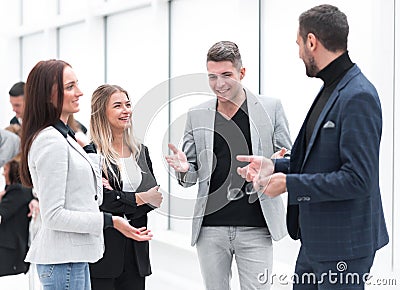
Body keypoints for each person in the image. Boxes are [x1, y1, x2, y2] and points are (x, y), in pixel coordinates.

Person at [237, 5, 389, 289]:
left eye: (298, 44)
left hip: (344, 247)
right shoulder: (332, 87)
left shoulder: (358, 96)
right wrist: (275, 165)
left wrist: (289, 184)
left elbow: (358, 179)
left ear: (311, 41)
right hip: (315, 243)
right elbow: (318, 159)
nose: (298, 53)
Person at [165, 41, 292, 289]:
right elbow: (191, 175)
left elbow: (290, 158)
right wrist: (183, 169)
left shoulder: (270, 108)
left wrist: (275, 165)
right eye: (212, 76)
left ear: (241, 73)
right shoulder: (197, 114)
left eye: (226, 75)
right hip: (211, 228)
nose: (219, 84)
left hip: (256, 226)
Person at [19, 59, 153, 290]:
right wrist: (111, 220)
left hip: (74, 258)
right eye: (70, 87)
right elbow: (54, 215)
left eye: (77, 84)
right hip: (63, 261)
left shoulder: (65, 137)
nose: (80, 92)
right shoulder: (51, 141)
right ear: (48, 95)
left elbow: (83, 195)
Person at [86, 84, 163, 290]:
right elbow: (101, 201)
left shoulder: (141, 152)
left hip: (136, 251)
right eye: (118, 106)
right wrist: (140, 197)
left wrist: (120, 197)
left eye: (128, 104)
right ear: (102, 112)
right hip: (104, 254)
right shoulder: (92, 154)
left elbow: (155, 199)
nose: (126, 110)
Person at [0, 156, 34, 277]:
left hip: (9, 253)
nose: (3, 174)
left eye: (5, 169)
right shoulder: (19, 192)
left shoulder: (17, 192)